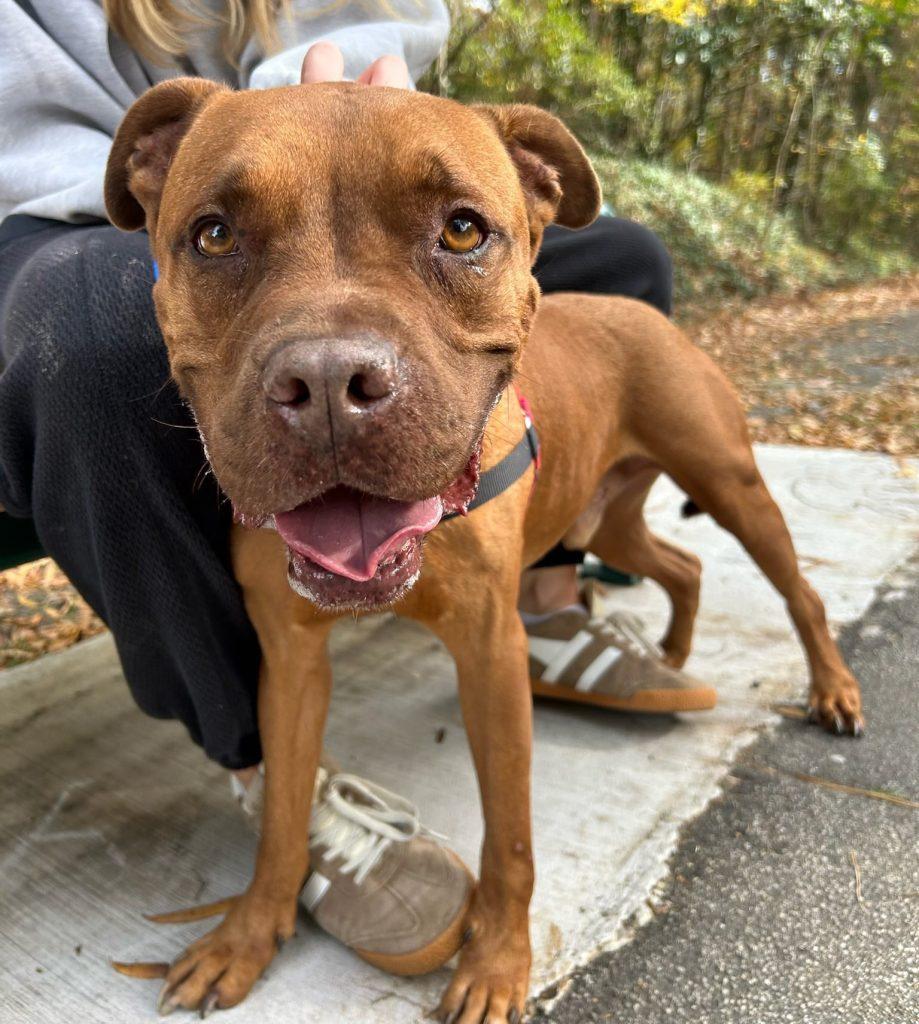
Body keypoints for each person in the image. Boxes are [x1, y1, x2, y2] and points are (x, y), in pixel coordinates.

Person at [0, 0, 704, 971]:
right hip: (48, 204)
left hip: (339, 146)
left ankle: (544, 587)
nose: (336, 373)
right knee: (90, 324)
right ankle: (257, 762)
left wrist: (359, 137)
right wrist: (217, 166)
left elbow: (378, 35)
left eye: (459, 230)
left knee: (627, 257)